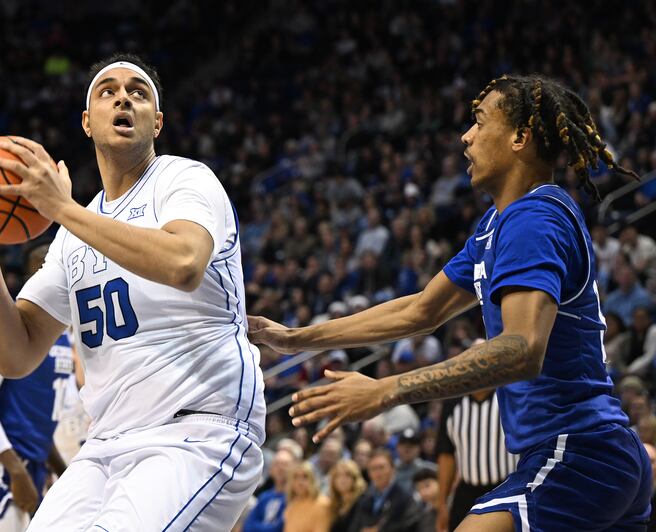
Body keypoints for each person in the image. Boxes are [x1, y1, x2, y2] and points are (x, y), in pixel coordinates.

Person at [250, 75, 651, 530]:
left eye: (479, 122)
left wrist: (386, 389)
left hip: (579, 451)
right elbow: (420, 310)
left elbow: (521, 349)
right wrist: (296, 338)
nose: (466, 136)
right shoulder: (497, 224)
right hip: (591, 456)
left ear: (520, 137)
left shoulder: (533, 220)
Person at [0, 52, 265, 530]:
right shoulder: (73, 234)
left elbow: (183, 264)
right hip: (104, 446)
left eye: (138, 93)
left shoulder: (184, 179)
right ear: (87, 122)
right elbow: (14, 355)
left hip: (197, 432)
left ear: (156, 123)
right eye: (107, 91)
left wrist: (62, 208)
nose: (123, 97)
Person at [0, 242, 72, 531]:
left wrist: (63, 470)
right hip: (0, 464)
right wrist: (15, 469)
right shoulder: (18, 327)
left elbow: (37, 416)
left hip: (31, 462)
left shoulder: (62, 336)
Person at [436, 388, 517, 532]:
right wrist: (442, 503)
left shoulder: (510, 397)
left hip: (506, 489)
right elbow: (446, 455)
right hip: (467, 492)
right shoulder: (452, 404)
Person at [348, 449, 427, 532]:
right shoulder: (364, 499)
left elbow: (411, 526)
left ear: (393, 469)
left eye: (381, 467)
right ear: (369, 473)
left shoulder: (405, 498)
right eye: (373, 468)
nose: (378, 473)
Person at [242, 448, 297, 532]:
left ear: (294, 469)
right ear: (271, 470)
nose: (280, 468)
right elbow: (248, 526)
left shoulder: (294, 498)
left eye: (285, 464)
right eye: (276, 464)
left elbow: (279, 528)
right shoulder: (264, 496)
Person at [282, 461, 330, 532]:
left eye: (305, 477)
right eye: (295, 477)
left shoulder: (323, 504)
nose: (300, 482)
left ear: (312, 480)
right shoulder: (292, 504)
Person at [327, 459, 366, 532]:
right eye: (338, 475)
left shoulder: (362, 502)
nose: (342, 479)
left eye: (347, 475)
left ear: (355, 479)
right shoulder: (334, 505)